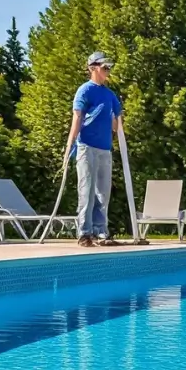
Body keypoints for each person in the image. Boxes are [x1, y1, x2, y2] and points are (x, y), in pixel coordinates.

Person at [66, 52, 123, 247]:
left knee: (103, 193)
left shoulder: (110, 94)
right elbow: (77, 118)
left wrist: (116, 122)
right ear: (92, 67)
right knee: (87, 190)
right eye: (104, 66)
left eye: (109, 67)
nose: (108, 70)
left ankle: (101, 232)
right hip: (86, 146)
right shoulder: (85, 91)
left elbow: (117, 124)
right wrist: (69, 145)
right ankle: (84, 233)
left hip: (105, 148)